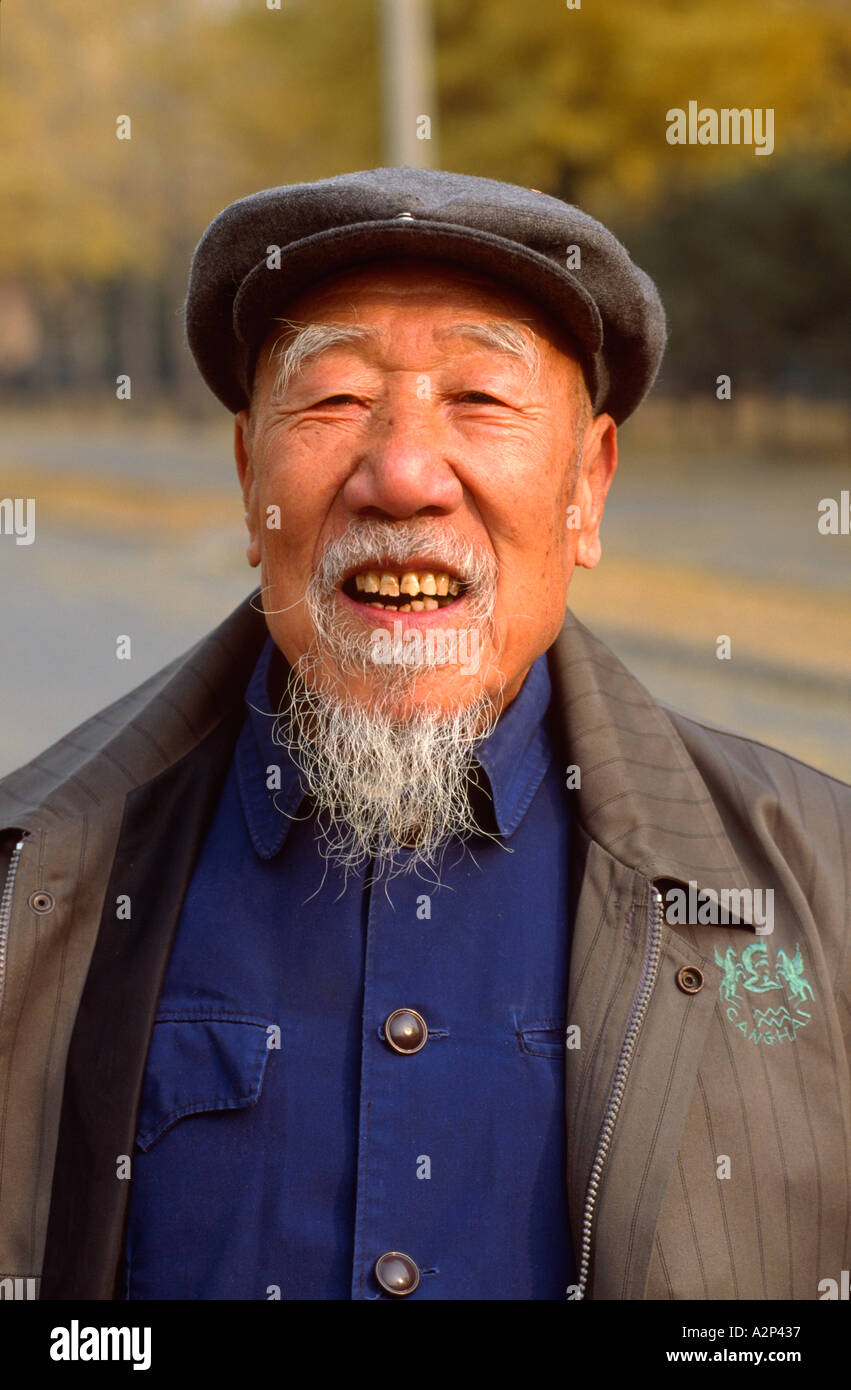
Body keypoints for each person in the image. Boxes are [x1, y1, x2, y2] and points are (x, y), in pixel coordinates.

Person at [0, 168, 848, 1302]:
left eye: (482, 399)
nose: (400, 474)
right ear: (251, 475)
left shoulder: (822, 887)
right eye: (334, 399)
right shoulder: (31, 886)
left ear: (585, 488)